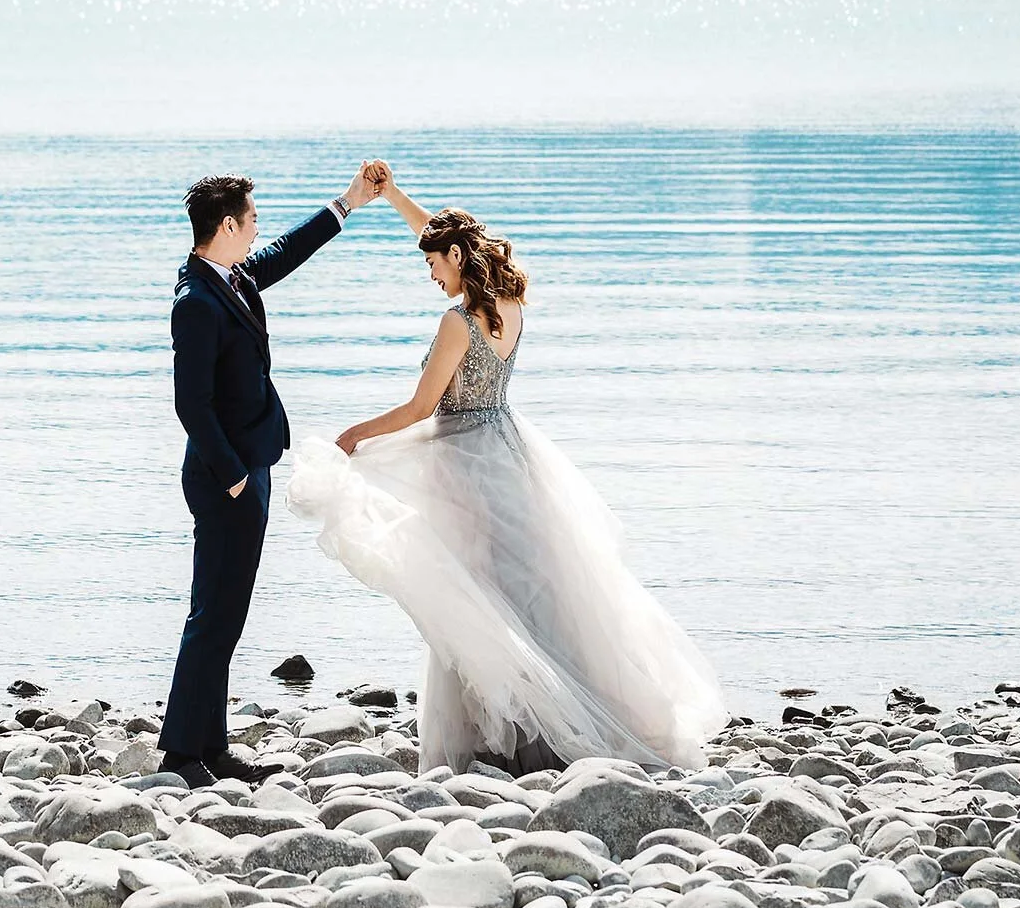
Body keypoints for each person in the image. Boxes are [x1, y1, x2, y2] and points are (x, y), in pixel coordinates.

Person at [286, 172, 726, 773]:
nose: (430, 275)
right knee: (522, 595)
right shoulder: (509, 305)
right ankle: (546, 723)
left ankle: (502, 739)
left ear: (457, 258)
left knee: (472, 597)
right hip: (511, 456)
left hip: (464, 467)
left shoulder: (455, 323)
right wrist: (391, 199)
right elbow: (444, 238)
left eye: (434, 265)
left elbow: (421, 408)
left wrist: (353, 435)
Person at [159, 163, 389, 786]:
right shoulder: (196, 301)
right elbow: (191, 404)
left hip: (247, 468)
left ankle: (209, 746)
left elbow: (286, 252)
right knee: (214, 615)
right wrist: (234, 476)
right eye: (252, 218)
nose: (259, 228)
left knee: (226, 614)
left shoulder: (230, 278)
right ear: (228, 225)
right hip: (224, 476)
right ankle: (183, 753)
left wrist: (349, 203)